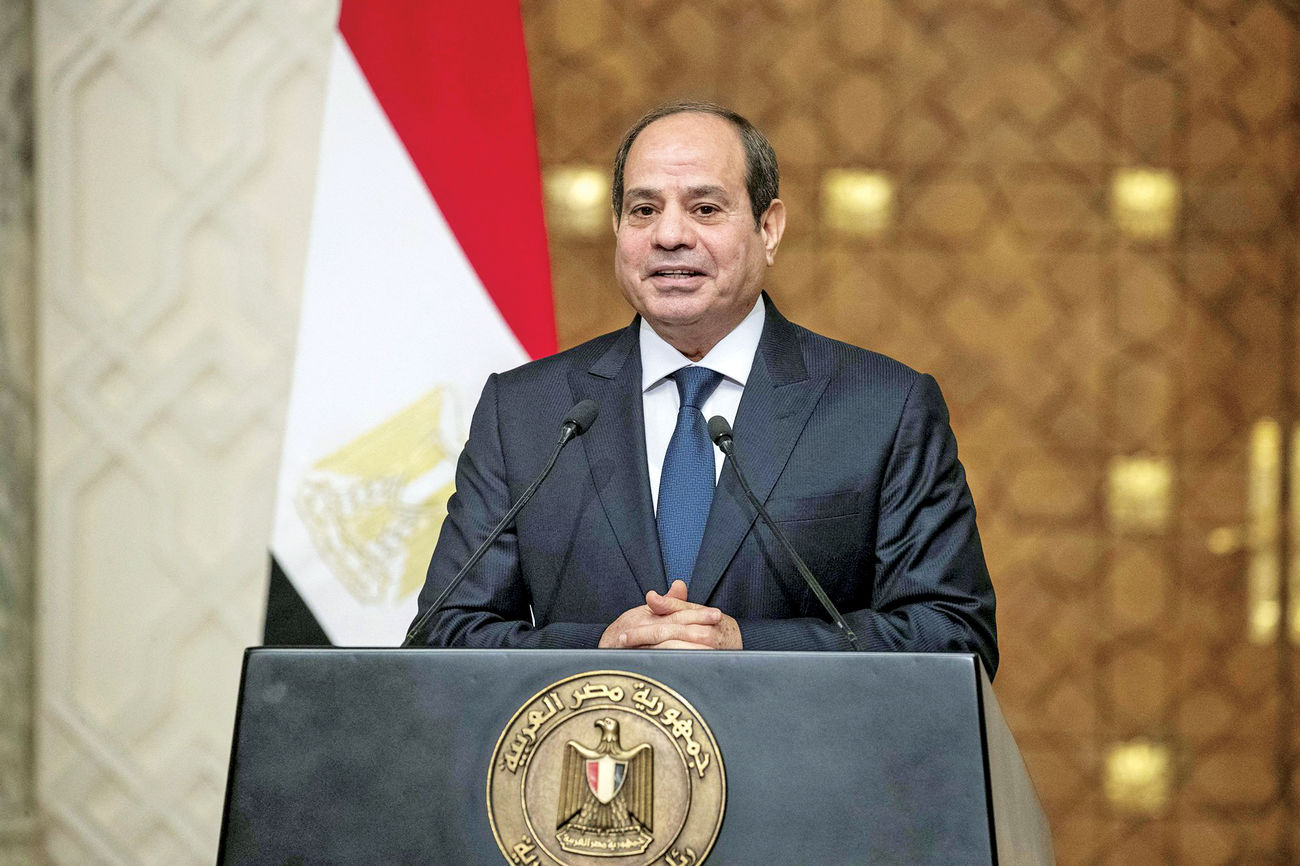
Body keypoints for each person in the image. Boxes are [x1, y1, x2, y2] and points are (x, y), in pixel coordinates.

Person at [411, 102, 997, 675]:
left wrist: (746, 647)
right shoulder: (526, 411)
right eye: (643, 210)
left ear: (769, 228)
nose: (669, 235)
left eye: (706, 208)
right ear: (617, 228)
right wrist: (600, 651)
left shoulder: (883, 407)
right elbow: (443, 634)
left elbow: (953, 636)